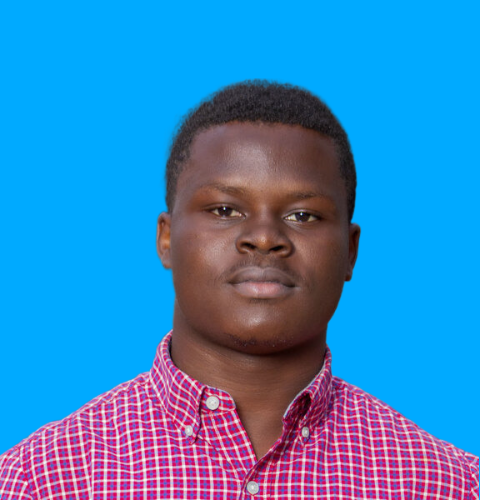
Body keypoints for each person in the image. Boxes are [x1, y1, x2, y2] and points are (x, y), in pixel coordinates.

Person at [0, 81, 478, 499]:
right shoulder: (40, 480)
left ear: (350, 251)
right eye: (225, 210)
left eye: (303, 215)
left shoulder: (447, 484)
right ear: (166, 238)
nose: (265, 237)